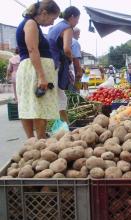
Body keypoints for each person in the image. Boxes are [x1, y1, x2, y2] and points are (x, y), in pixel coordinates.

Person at [15, 0, 60, 139]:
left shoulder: (31, 23)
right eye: (52, 18)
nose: (52, 23)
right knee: (38, 106)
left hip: (32, 69)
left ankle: (34, 141)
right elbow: (32, 50)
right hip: (34, 71)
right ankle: (38, 141)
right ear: (44, 13)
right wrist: (41, 75)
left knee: (31, 105)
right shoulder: (31, 24)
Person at [47, 6, 80, 123]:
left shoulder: (55, 27)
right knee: (58, 96)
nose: (77, 22)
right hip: (55, 64)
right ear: (72, 17)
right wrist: (70, 59)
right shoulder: (68, 28)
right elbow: (66, 49)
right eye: (77, 19)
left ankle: (63, 126)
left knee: (56, 96)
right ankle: (64, 126)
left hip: (48, 63)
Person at [71, 27, 82, 91]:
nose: (79, 36)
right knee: (75, 91)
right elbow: (75, 58)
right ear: (74, 33)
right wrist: (79, 71)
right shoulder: (75, 42)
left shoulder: (65, 40)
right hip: (74, 71)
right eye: (78, 34)